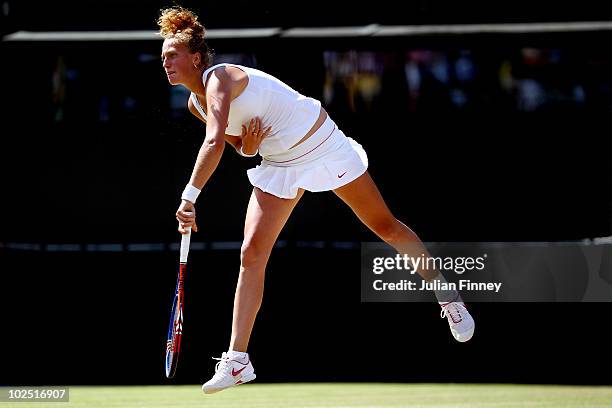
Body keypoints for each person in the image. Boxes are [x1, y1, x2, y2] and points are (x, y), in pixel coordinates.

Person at [158, 6, 475, 394]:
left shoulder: (220, 77)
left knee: (384, 226)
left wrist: (189, 196)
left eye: (172, 55)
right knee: (251, 254)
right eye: (162, 57)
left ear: (195, 57)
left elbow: (212, 142)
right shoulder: (196, 104)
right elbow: (237, 144)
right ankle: (238, 360)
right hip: (280, 162)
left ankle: (446, 294)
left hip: (321, 144)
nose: (166, 62)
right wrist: (248, 148)